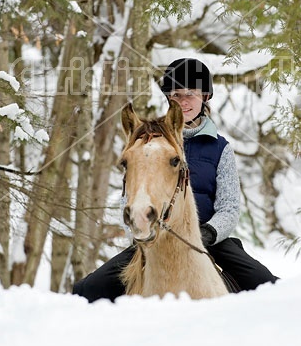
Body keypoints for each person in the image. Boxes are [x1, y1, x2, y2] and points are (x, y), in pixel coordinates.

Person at [73, 58, 278, 302]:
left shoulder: (219, 148)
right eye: (176, 94)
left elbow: (230, 207)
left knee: (267, 284)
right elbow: (131, 195)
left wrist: (208, 233)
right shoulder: (151, 143)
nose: (183, 101)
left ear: (205, 97)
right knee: (86, 290)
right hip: (153, 236)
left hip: (210, 241)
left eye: (190, 94)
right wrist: (138, 231)